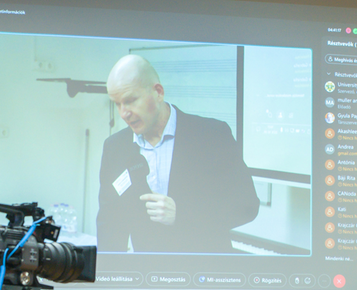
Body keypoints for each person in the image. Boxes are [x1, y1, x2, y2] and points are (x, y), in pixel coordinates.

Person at [96, 54, 260, 253]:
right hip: (148, 270)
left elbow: (247, 206)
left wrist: (181, 214)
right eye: (117, 103)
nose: (124, 113)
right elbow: (109, 222)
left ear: (158, 92)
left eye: (130, 101)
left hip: (204, 268)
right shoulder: (115, 147)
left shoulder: (212, 135)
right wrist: (111, 270)